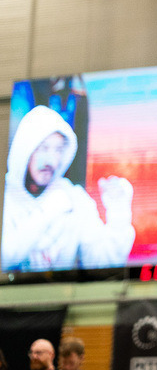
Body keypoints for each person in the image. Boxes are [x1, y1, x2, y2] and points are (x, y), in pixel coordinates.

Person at [1, 105, 135, 272]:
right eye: (43, 148)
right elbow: (5, 257)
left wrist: (119, 214)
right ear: (25, 149)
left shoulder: (73, 198)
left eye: (58, 150)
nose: (50, 160)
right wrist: (47, 211)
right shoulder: (6, 197)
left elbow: (102, 264)